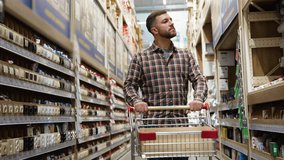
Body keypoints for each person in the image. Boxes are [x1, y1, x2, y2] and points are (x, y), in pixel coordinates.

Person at [124, 10, 208, 160]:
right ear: (154, 30)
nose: (171, 23)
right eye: (165, 21)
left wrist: (199, 98)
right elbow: (129, 85)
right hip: (154, 127)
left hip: (180, 128)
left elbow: (199, 80)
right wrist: (137, 101)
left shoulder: (185, 55)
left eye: (171, 19)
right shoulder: (141, 58)